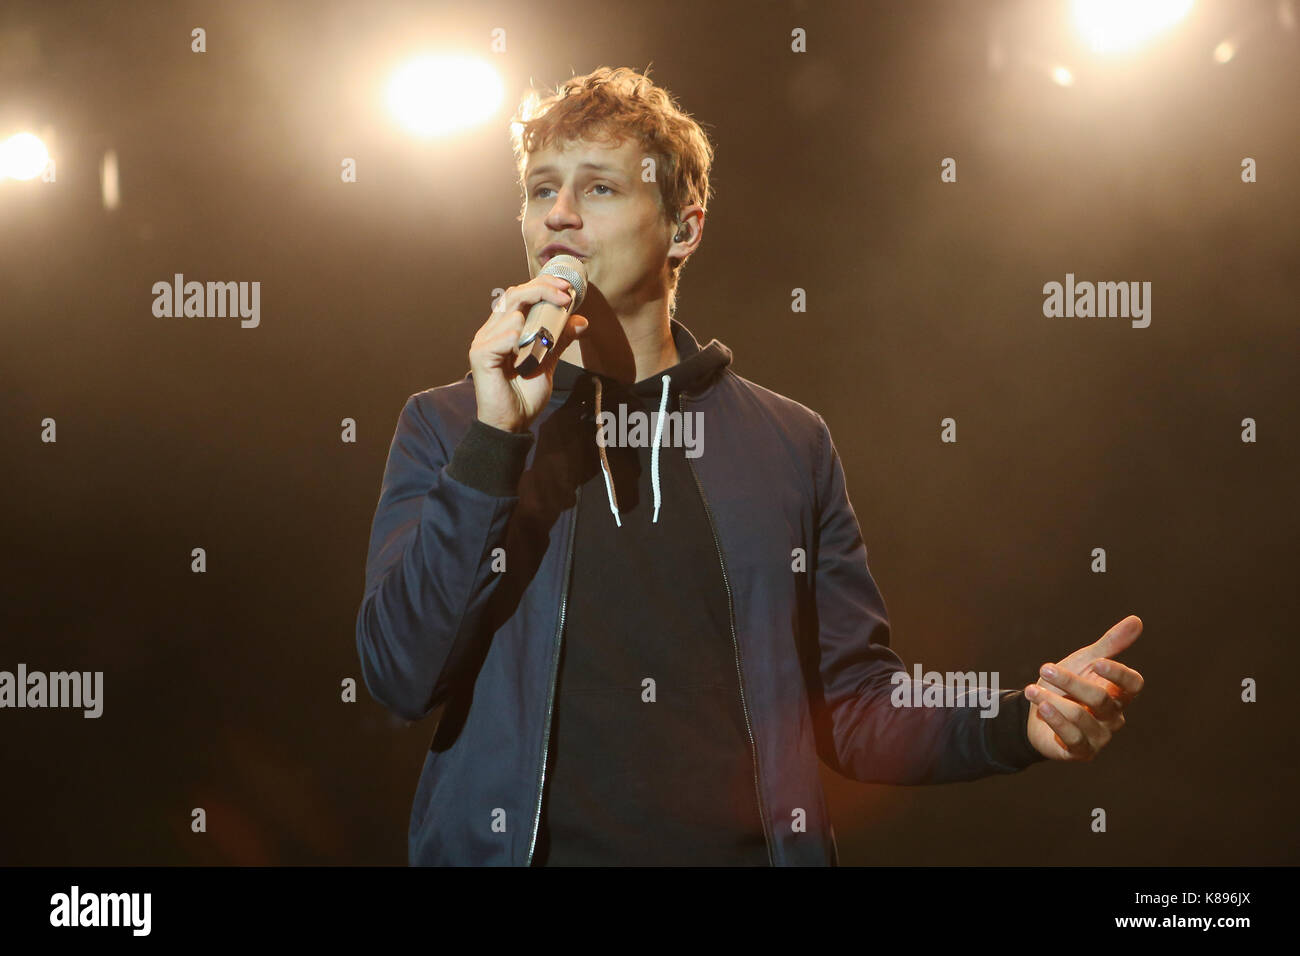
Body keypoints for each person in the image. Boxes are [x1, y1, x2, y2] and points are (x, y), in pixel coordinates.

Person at [355, 65, 1145, 866]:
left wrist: (1018, 723)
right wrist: (496, 443)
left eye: (598, 190)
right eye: (540, 189)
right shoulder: (449, 423)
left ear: (684, 229)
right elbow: (399, 673)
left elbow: (850, 707)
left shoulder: (787, 442)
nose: (558, 214)